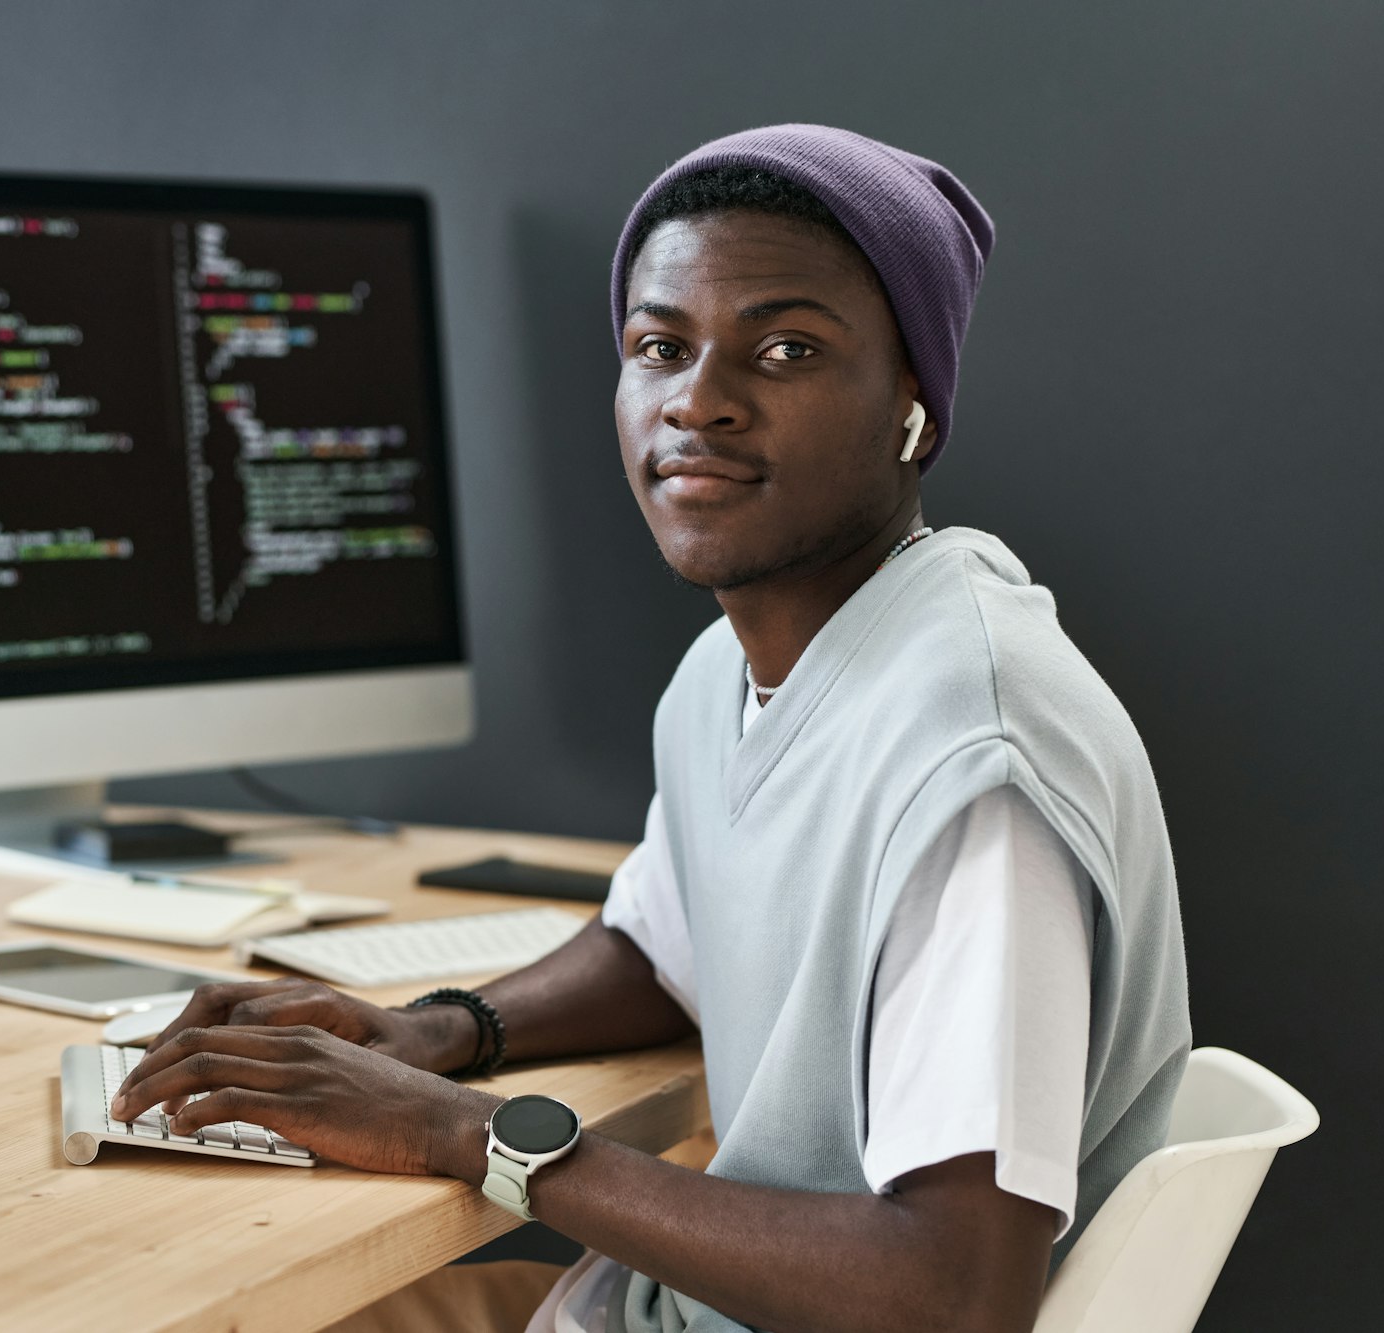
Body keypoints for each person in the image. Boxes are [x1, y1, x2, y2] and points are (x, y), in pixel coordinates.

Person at [112, 124, 1191, 1333]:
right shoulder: (734, 674)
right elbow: (661, 948)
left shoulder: (971, 765)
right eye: (658, 346)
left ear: (913, 408)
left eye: (784, 348)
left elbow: (949, 1297)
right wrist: (433, 1031)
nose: (698, 400)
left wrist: (464, 1131)